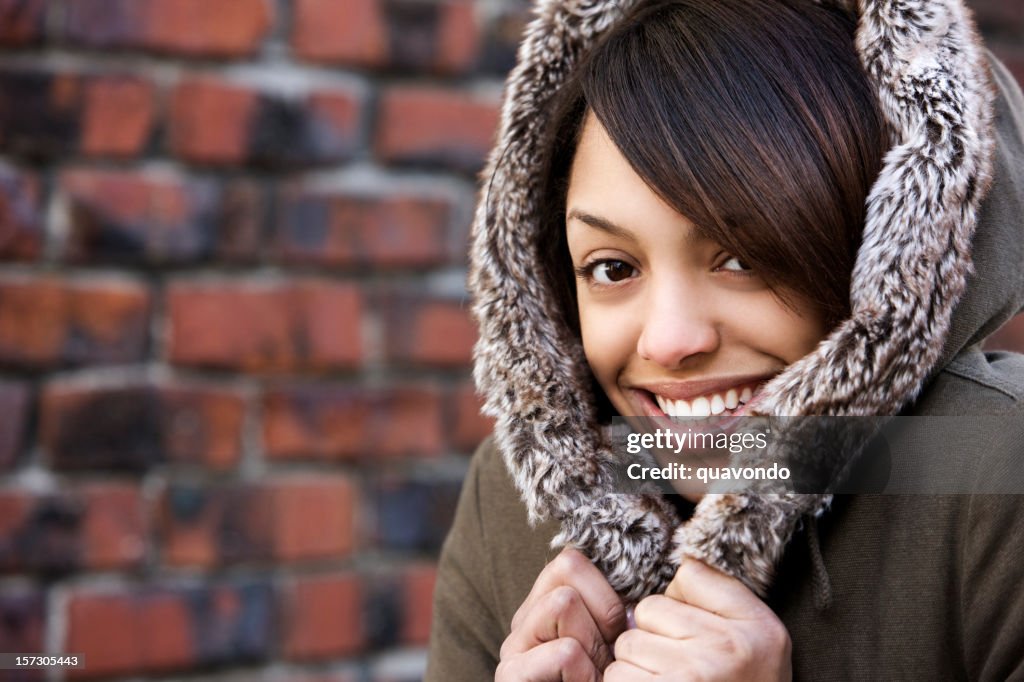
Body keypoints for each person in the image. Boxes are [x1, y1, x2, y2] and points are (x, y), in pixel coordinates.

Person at [426, 0, 1024, 678]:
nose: (671, 339)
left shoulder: (999, 477)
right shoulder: (519, 506)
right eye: (612, 269)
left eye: (742, 257)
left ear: (889, 253)